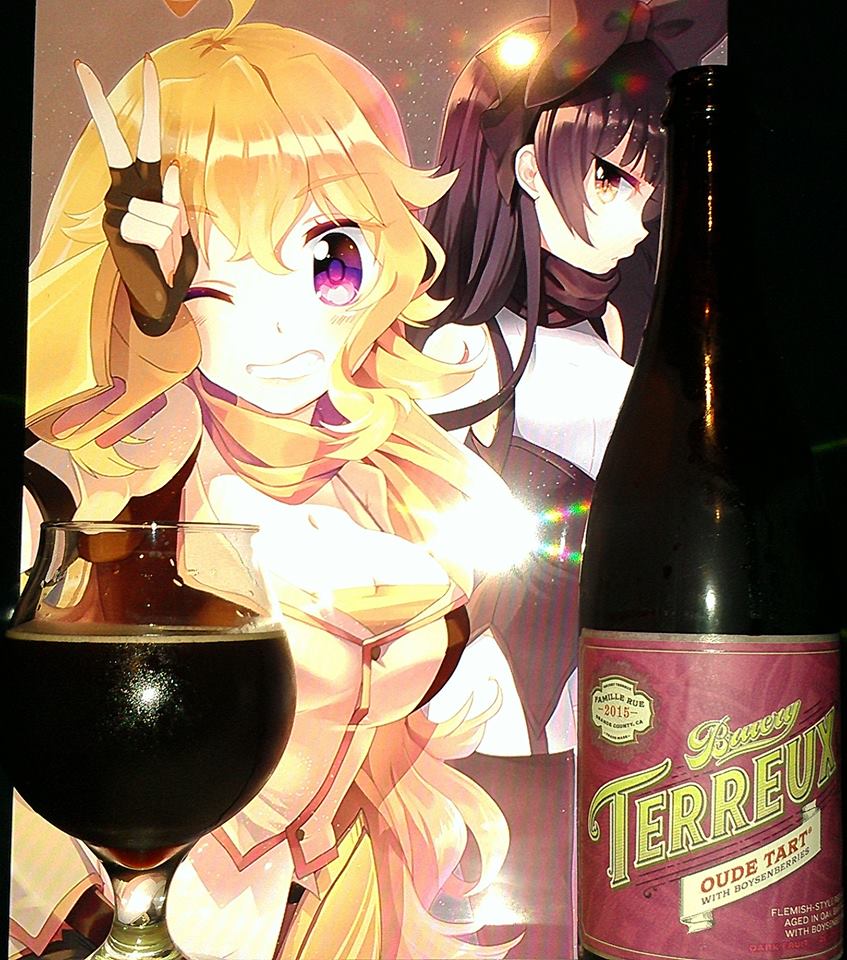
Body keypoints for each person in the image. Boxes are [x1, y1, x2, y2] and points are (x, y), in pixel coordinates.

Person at [15, 6, 528, 958]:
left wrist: (447, 676)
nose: (284, 328)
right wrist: (138, 305)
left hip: (336, 907)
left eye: (330, 259)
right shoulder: (127, 469)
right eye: (211, 277)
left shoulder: (391, 467)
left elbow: (453, 690)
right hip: (143, 904)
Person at [414, 1, 727, 956]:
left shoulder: (623, 341)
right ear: (524, 166)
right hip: (494, 704)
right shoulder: (468, 351)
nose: (633, 219)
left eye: (650, 191)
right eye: (608, 176)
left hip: (621, 705)